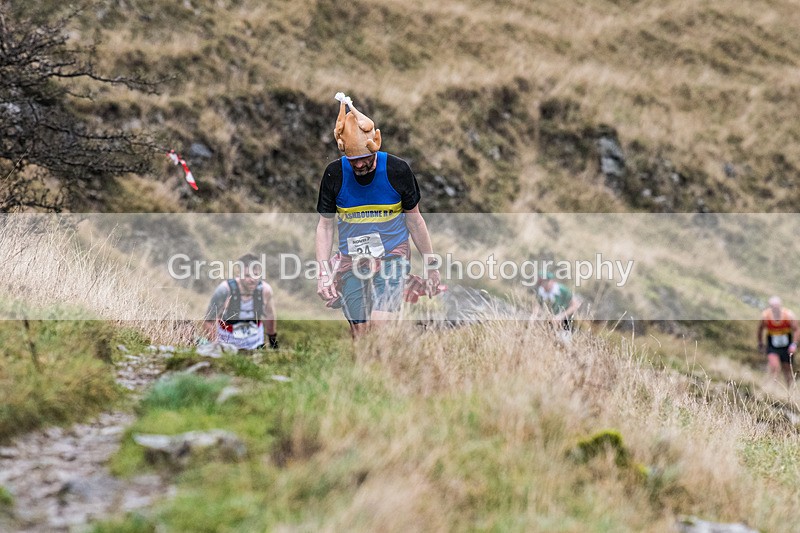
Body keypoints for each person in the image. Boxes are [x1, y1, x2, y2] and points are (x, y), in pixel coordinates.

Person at [315, 92, 439, 338]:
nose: (359, 165)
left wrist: (431, 264)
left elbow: (415, 221)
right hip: (352, 260)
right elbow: (325, 226)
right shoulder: (334, 174)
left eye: (364, 159)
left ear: (376, 145)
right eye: (353, 160)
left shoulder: (397, 170)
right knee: (361, 333)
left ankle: (393, 356)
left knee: (380, 327)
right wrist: (323, 273)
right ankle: (372, 364)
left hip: (392, 256)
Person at [202, 253, 278, 350]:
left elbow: (270, 315)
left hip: (255, 341)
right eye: (247, 275)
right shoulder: (225, 290)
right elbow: (209, 320)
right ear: (239, 274)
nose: (252, 280)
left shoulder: (265, 290)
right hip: (227, 341)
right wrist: (215, 346)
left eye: (255, 275)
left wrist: (273, 342)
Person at [757, 296, 799, 385]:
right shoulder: (766, 316)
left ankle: (790, 389)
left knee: (787, 370)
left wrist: (794, 344)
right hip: (772, 346)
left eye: (777, 306)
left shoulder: (788, 315)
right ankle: (772, 389)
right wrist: (760, 343)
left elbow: (796, 329)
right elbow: (760, 330)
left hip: (786, 347)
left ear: (780, 306)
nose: (775, 308)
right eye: (773, 306)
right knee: (774, 367)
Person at [530, 271, 582, 341]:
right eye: (541, 282)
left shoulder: (563, 290)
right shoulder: (540, 291)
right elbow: (537, 305)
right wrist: (534, 315)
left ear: (552, 281)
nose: (543, 285)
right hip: (549, 323)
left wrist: (561, 315)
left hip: (565, 322)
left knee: (564, 340)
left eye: (545, 282)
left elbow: (575, 305)